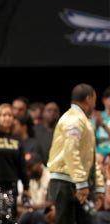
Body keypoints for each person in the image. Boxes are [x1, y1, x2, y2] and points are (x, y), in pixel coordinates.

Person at [46, 83, 104, 224]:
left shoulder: (82, 120)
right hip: (66, 182)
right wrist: (81, 183)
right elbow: (71, 151)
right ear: (89, 99)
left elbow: (89, 157)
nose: (95, 104)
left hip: (76, 181)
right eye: (95, 100)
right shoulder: (73, 120)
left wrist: (99, 185)